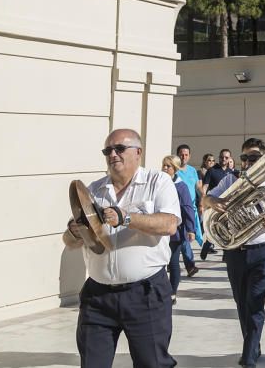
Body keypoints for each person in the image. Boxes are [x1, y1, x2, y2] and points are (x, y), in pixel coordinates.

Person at [63, 128, 179, 368]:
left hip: (145, 293)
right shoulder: (94, 190)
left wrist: (127, 218)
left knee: (152, 364)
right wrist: (75, 232)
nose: (112, 154)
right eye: (108, 150)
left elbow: (169, 225)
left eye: (119, 148)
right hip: (97, 296)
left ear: (138, 152)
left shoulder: (159, 182)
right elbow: (70, 242)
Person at [201, 137, 265, 368]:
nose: (248, 161)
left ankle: (249, 356)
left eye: (253, 157)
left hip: (263, 251)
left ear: (263, 159)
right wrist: (213, 201)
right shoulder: (231, 179)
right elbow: (206, 198)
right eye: (244, 157)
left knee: (255, 302)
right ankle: (253, 344)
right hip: (235, 251)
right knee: (242, 303)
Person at [161, 155, 196, 304]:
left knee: (173, 262)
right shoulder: (159, 183)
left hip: (176, 231)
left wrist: (191, 229)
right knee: (160, 262)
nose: (164, 168)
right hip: (160, 230)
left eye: (168, 166)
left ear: (175, 169)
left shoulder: (181, 186)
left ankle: (172, 293)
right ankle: (162, 290)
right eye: (163, 165)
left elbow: (187, 207)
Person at [200, 148, 236, 260]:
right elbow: (204, 187)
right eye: (221, 157)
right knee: (214, 228)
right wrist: (203, 202)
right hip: (213, 204)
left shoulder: (232, 172)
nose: (223, 159)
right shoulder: (212, 170)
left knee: (228, 229)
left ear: (230, 158)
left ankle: (226, 254)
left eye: (226, 157)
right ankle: (208, 243)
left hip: (227, 205)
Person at [174, 143, 203, 275]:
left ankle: (175, 263)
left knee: (185, 237)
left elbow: (198, 187)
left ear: (189, 156)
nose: (183, 157)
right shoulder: (174, 170)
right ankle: (190, 266)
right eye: (181, 154)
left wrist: (203, 200)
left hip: (191, 208)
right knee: (184, 237)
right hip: (178, 208)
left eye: (186, 155)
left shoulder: (192, 171)